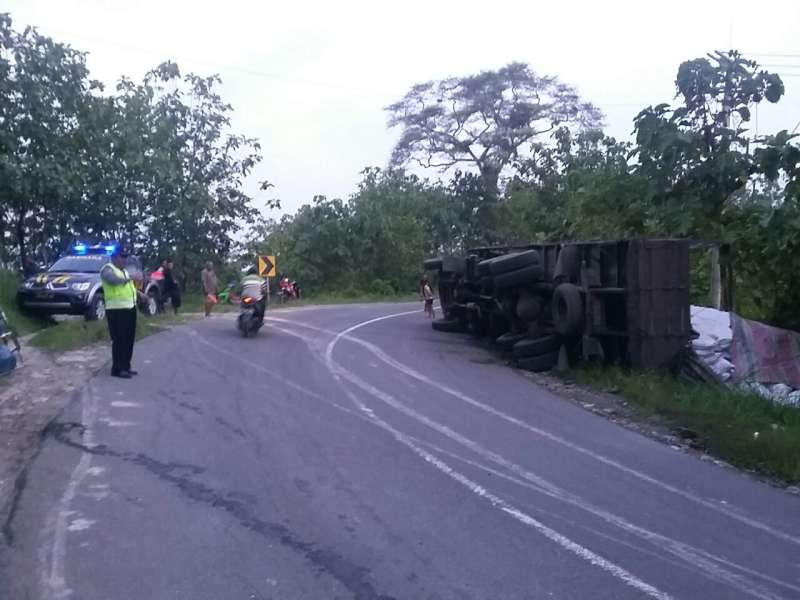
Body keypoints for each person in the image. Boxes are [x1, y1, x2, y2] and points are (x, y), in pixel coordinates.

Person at [100, 247, 146, 379]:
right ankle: (117, 368)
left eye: (125, 257)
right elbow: (113, 281)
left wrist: (140, 294)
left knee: (128, 339)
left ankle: (126, 366)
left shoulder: (124, 272)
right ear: (114, 257)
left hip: (130, 308)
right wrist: (131, 277)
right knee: (119, 339)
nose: (124, 260)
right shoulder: (107, 269)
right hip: (116, 310)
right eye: (122, 257)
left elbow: (128, 287)